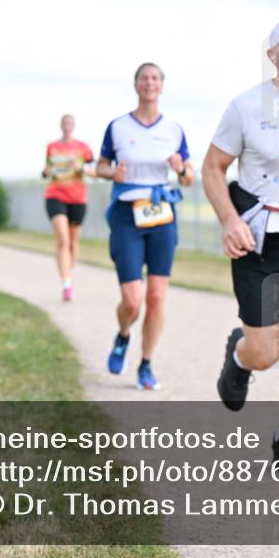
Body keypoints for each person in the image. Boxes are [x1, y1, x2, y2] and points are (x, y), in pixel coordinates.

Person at [203, 17, 279, 463]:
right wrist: (228, 221)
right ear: (273, 55)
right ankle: (240, 357)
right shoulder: (245, 106)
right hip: (258, 238)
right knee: (265, 352)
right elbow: (212, 167)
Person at [96, 63, 195, 391]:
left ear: (161, 86)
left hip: (162, 214)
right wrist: (113, 174)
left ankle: (146, 364)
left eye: (154, 78)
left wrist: (181, 170)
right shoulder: (118, 127)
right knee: (132, 299)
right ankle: (123, 334)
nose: (149, 83)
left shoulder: (174, 129)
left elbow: (189, 177)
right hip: (127, 214)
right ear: (136, 85)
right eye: (144, 78)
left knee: (156, 297)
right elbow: (100, 166)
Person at [43, 114, 96, 301]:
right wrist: (46, 171)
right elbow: (46, 170)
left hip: (77, 197)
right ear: (60, 125)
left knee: (73, 243)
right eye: (64, 122)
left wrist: (81, 168)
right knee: (63, 240)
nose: (67, 125)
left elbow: (95, 171)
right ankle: (66, 283)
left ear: (74, 126)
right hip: (55, 195)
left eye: (70, 123)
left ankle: (69, 274)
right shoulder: (52, 147)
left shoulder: (83, 148)